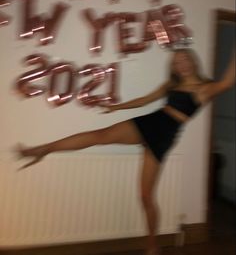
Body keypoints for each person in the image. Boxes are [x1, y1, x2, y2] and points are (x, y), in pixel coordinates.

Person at [15, 48, 235, 255]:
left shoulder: (205, 88)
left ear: (193, 61)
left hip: (163, 136)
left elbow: (228, 81)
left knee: (145, 196)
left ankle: (152, 246)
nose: (182, 64)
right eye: (177, 62)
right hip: (149, 122)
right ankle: (43, 150)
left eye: (185, 59)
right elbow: (144, 100)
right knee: (98, 136)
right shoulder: (171, 85)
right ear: (174, 67)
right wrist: (116, 107)